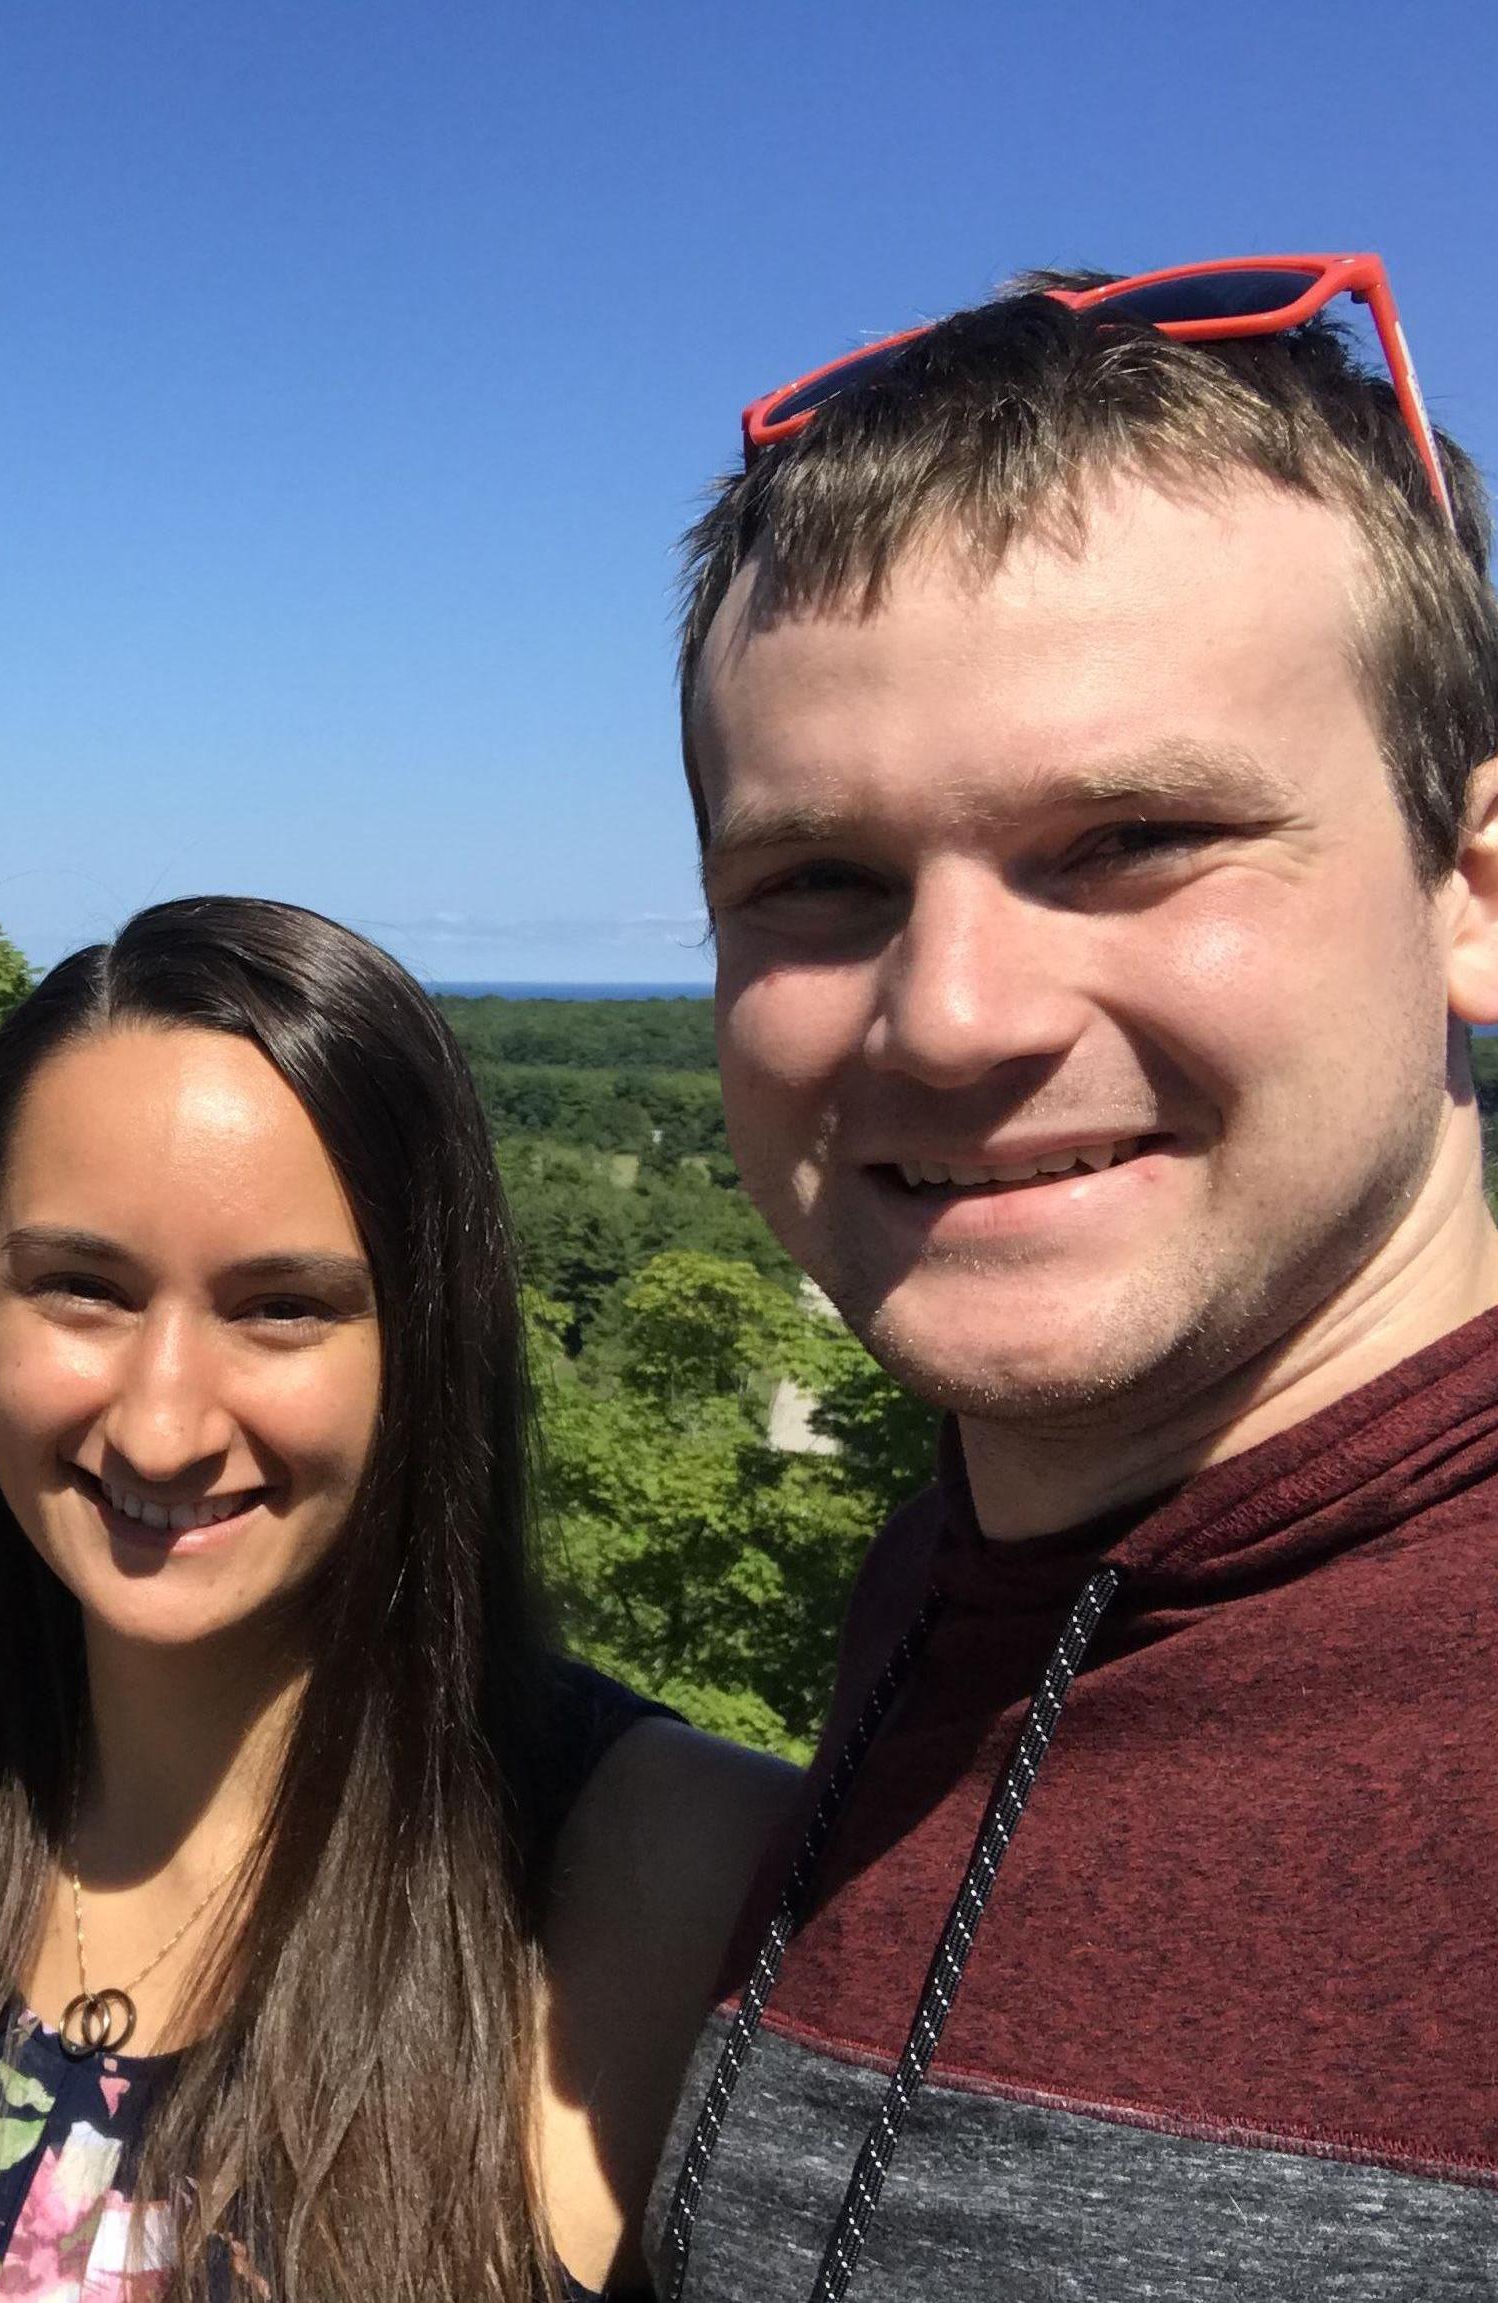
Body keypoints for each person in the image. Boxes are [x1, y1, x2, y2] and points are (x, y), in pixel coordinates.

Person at [643, 256, 1498, 2301]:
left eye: (1130, 837)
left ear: (1472, 895)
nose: (949, 1019)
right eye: (820, 882)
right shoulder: (958, 1594)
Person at [0, 896, 796, 2303]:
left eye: (283, 1308)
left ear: (425, 1352)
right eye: (82, 1289)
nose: (162, 1426)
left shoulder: (670, 1870)